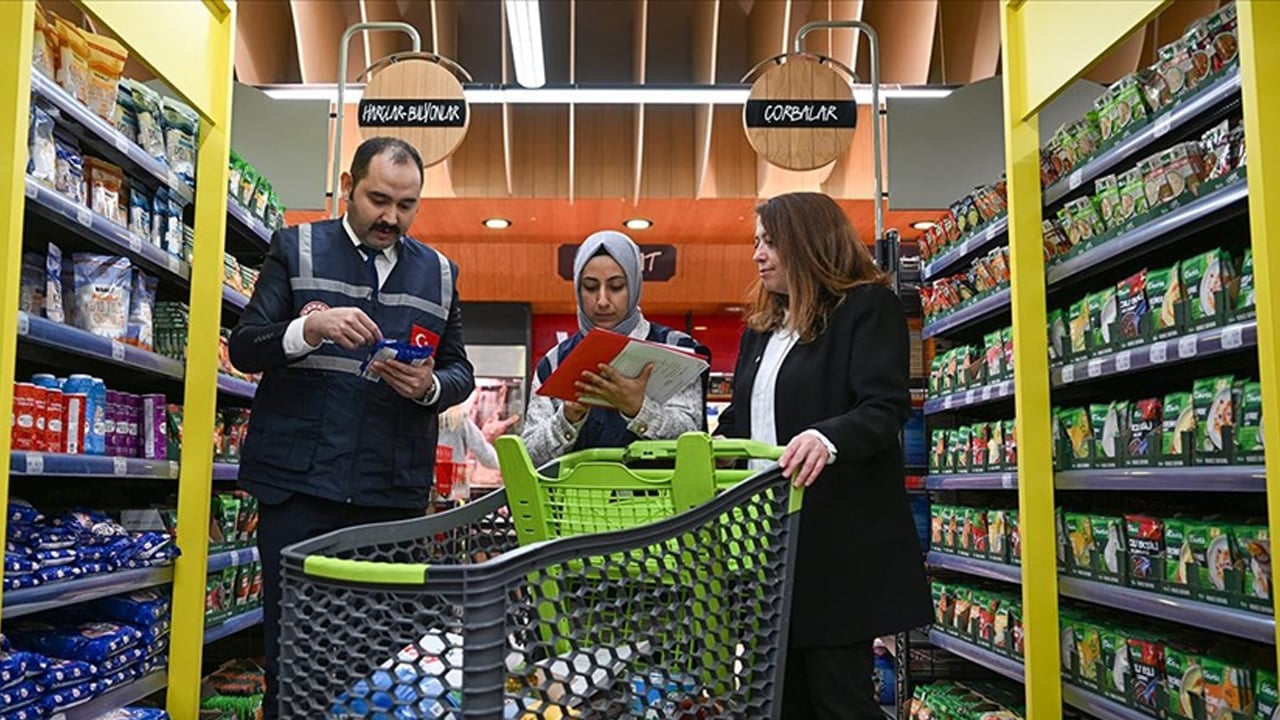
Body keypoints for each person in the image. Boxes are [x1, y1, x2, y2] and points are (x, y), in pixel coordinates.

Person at [228, 137, 474, 719]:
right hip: (298, 491)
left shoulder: (439, 274)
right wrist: (308, 330)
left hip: (387, 498)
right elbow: (244, 346)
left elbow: (460, 371)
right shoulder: (296, 248)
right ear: (347, 187)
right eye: (378, 200)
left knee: (377, 660)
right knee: (294, 656)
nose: (391, 217)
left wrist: (429, 387)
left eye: (406, 205)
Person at [714, 192, 930, 719]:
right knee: (777, 699)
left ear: (808, 243)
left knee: (838, 699)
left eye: (770, 242)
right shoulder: (760, 331)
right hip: (767, 548)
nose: (757, 255)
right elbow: (741, 419)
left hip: (835, 548)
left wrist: (826, 438)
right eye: (757, 242)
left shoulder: (866, 308)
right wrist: (711, 450)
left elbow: (884, 405)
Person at [522, 230, 708, 467]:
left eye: (616, 286)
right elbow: (528, 456)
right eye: (590, 287)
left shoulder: (676, 349)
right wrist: (566, 419)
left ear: (634, 286)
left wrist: (639, 409)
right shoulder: (554, 362)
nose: (602, 301)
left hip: (660, 492)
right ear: (577, 289)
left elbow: (693, 438)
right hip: (575, 492)